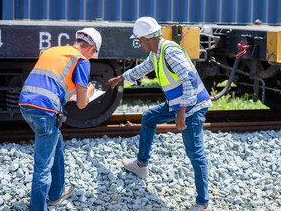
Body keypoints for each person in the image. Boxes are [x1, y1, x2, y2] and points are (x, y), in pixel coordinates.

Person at [106, 17, 212, 211]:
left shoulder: (169, 52)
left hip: (192, 106)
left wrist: (182, 111)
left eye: (139, 39)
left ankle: (203, 203)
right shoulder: (157, 52)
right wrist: (121, 78)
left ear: (147, 38)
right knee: (149, 117)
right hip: (177, 104)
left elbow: (190, 79)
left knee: (195, 154)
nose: (138, 43)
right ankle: (141, 165)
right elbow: (144, 68)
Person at [19, 28, 102, 210]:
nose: (91, 58)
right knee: (43, 164)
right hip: (45, 111)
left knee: (56, 141)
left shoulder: (52, 51)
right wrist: (89, 91)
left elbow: (51, 81)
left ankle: (57, 193)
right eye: (94, 54)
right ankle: (37, 207)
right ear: (90, 48)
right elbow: (81, 104)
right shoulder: (81, 61)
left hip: (25, 104)